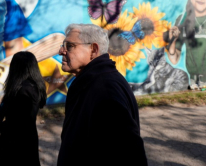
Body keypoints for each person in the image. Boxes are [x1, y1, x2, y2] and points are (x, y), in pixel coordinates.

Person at [57, 24, 148, 166]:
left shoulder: (106, 90)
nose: (61, 51)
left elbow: (131, 154)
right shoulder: (91, 82)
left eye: (69, 46)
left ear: (93, 50)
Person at [0, 51, 47, 166]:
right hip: (28, 136)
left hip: (15, 139)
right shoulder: (34, 86)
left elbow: (20, 119)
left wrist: (1, 127)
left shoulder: (22, 90)